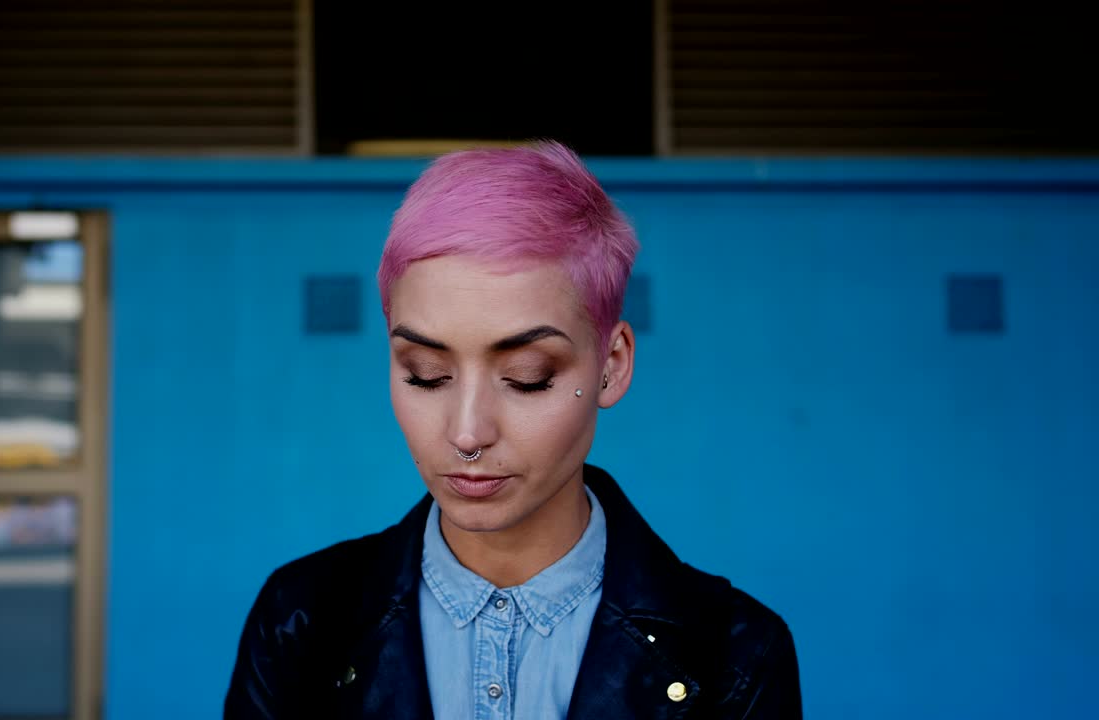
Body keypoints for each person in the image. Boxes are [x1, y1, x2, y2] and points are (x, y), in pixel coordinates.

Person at [224, 141, 801, 719]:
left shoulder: (735, 657)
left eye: (528, 377)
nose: (467, 434)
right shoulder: (299, 623)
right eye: (426, 374)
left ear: (612, 364)